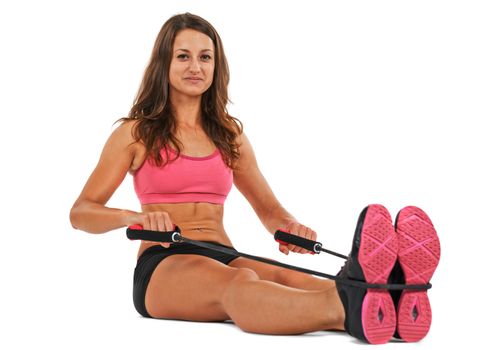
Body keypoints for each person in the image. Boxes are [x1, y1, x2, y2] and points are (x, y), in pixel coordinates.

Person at [69, 13, 440, 344]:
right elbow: (81, 212)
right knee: (240, 284)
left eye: (205, 57)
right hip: (164, 263)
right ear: (163, 63)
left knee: (294, 278)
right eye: (183, 56)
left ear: (217, 66)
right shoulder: (136, 133)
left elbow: (269, 211)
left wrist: (291, 227)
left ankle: (381, 304)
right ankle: (352, 305)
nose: (195, 66)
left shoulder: (229, 136)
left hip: (224, 252)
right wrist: (133, 218)